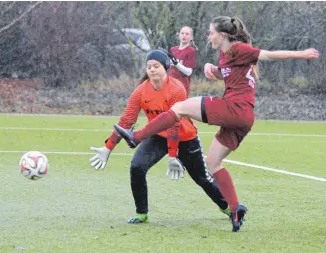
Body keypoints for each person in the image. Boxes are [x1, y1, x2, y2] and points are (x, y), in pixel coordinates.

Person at [113, 16, 320, 232]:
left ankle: (136, 137)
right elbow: (232, 73)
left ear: (222, 35)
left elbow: (270, 55)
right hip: (244, 118)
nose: (208, 36)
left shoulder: (238, 48)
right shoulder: (226, 54)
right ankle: (235, 209)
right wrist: (215, 71)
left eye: (211, 32)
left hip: (234, 108)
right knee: (213, 163)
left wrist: (302, 54)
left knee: (179, 108)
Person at [89, 49, 230, 225]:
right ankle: (142, 213)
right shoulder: (141, 91)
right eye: (149, 67)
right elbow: (126, 120)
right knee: (137, 167)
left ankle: (227, 206)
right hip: (157, 137)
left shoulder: (177, 88)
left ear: (166, 68)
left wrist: (173, 156)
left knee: (202, 178)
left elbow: (174, 124)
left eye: (156, 66)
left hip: (185, 138)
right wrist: (108, 147)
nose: (152, 70)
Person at [167, 26, 197, 96]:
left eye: (187, 34)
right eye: (182, 33)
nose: (184, 35)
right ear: (179, 35)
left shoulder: (191, 51)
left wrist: (176, 64)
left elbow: (189, 72)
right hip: (170, 87)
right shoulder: (173, 49)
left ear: (191, 37)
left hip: (181, 89)